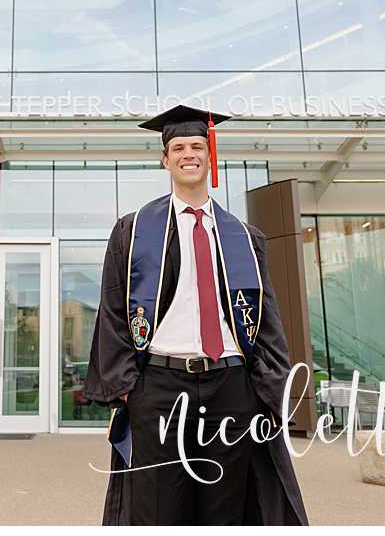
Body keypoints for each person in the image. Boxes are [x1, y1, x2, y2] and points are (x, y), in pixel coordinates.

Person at [82, 104, 307, 524]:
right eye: (180, 147)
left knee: (225, 506)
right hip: (160, 388)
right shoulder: (133, 231)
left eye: (198, 146)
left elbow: (268, 322)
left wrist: (267, 391)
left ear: (210, 155)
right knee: (158, 506)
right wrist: (129, 389)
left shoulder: (243, 236)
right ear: (165, 159)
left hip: (230, 387)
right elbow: (113, 310)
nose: (190, 154)